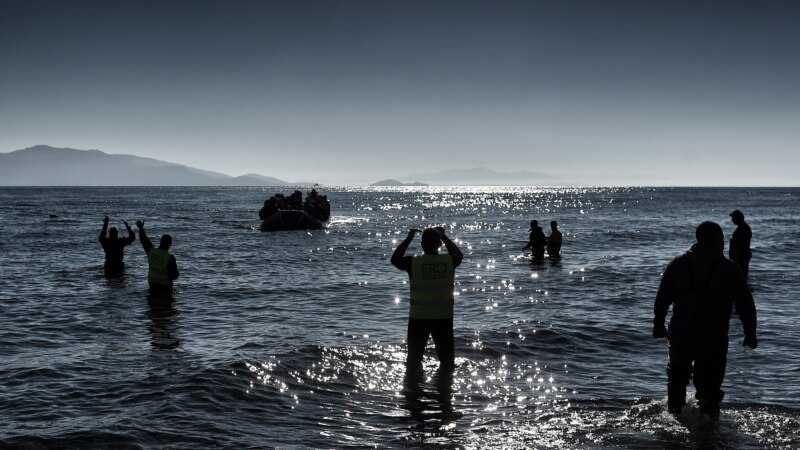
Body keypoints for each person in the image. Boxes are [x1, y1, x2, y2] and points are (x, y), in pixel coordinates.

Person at [652, 221, 757, 420]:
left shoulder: (677, 264)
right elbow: (746, 305)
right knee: (709, 391)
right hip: (713, 336)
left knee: (677, 380)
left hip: (681, 333)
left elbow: (662, 297)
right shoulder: (729, 269)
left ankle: (672, 427)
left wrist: (658, 324)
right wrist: (750, 334)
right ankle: (709, 433)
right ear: (718, 241)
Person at [391, 226, 464, 384]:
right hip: (443, 319)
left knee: (413, 363)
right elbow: (459, 255)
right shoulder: (449, 261)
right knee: (447, 364)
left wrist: (409, 238)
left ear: (422, 245)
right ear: (439, 245)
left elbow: (395, 259)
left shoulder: (414, 263)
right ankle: (444, 397)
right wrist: (444, 237)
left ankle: (412, 398)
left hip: (419, 318)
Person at [135, 220, 179, 295]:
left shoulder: (151, 251)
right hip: (165, 290)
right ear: (170, 244)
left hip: (152, 288)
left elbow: (144, 239)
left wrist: (140, 228)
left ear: (160, 242)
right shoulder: (170, 257)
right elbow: (174, 276)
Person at [729, 209, 752, 279]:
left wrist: (734, 256)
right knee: (742, 275)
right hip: (743, 255)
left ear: (737, 218)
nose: (732, 220)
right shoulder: (744, 227)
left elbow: (739, 245)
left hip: (741, 256)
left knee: (740, 275)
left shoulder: (742, 229)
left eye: (733, 218)